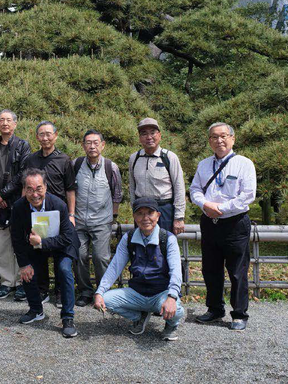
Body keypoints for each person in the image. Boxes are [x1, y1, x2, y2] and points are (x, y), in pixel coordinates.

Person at [189, 122, 256, 331]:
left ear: (233, 138)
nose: (219, 140)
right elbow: (194, 189)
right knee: (211, 269)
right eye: (214, 137)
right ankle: (215, 309)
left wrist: (222, 208)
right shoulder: (203, 164)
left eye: (223, 136)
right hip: (209, 222)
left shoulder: (244, 164)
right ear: (209, 141)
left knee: (237, 270)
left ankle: (239, 314)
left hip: (235, 223)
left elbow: (248, 195)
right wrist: (205, 204)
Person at [93, 197, 185, 341]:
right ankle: (139, 316)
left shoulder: (168, 239)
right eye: (140, 213)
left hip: (161, 293)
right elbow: (115, 267)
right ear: (134, 217)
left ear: (158, 215)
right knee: (105, 299)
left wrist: (172, 296)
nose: (145, 218)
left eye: (150, 213)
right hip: (137, 292)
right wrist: (100, 291)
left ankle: (171, 324)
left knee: (177, 309)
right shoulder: (128, 238)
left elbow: (176, 272)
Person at [11, 168, 80, 338]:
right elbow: (17, 239)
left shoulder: (59, 205)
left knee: (64, 270)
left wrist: (42, 242)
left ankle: (68, 318)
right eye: (30, 189)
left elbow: (66, 237)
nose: (35, 194)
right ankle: (35, 309)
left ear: (46, 188)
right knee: (28, 270)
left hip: (62, 244)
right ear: (24, 189)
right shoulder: (19, 207)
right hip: (35, 244)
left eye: (39, 189)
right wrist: (23, 264)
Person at [22, 121, 77, 305]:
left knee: (59, 251)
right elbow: (26, 187)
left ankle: (60, 292)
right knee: (39, 251)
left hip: (58, 212)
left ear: (55, 135)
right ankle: (42, 289)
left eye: (48, 134)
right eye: (41, 134)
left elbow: (70, 189)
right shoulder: (31, 159)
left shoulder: (64, 160)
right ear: (36, 137)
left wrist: (71, 214)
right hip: (36, 211)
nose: (45, 137)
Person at [0, 109, 32, 301]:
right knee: (3, 244)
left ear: (15, 124)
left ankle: (21, 281)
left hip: (16, 201)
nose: (5, 123)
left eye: (8, 120)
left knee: (20, 242)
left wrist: (2, 194)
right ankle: (6, 281)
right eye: (2, 120)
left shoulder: (23, 145)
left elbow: (23, 174)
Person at [72, 130, 123, 307]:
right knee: (79, 255)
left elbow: (117, 194)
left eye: (95, 142)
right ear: (83, 145)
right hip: (78, 220)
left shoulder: (111, 167)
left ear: (102, 145)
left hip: (102, 221)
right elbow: (70, 191)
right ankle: (85, 291)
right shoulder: (76, 164)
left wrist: (113, 217)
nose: (92, 146)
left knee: (101, 258)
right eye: (88, 143)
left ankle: (102, 292)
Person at [127, 118, 187, 235]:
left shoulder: (169, 157)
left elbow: (179, 187)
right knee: (142, 246)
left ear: (159, 135)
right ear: (139, 138)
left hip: (163, 210)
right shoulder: (134, 158)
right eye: (144, 134)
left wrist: (179, 217)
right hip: (141, 209)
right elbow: (132, 187)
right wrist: (135, 211)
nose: (149, 137)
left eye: (153, 132)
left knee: (163, 247)